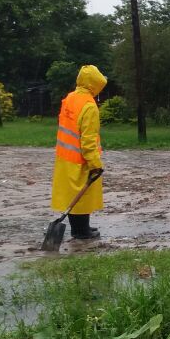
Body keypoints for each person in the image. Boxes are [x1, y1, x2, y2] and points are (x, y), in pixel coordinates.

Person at [50, 65, 107, 240]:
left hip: (64, 157)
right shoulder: (89, 106)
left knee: (72, 194)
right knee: (83, 195)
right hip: (80, 158)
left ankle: (80, 228)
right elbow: (88, 140)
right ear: (94, 85)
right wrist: (95, 164)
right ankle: (81, 231)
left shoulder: (69, 98)